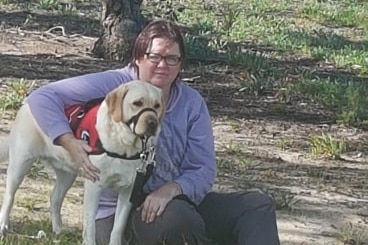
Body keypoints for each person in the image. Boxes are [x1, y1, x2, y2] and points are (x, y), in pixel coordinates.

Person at [26, 19, 281, 245]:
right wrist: (68, 141)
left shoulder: (191, 103)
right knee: (178, 222)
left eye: (172, 59)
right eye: (154, 57)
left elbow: (203, 169)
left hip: (174, 201)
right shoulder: (116, 85)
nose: (163, 65)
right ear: (138, 57)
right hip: (120, 213)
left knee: (257, 205)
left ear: (181, 64)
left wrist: (172, 189)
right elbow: (43, 97)